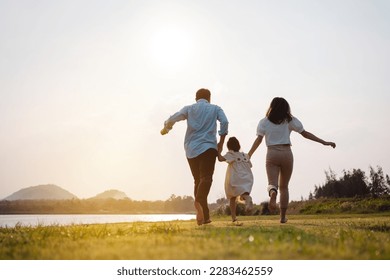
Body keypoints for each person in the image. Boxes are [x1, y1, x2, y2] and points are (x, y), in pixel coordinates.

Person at [248, 97, 336, 223]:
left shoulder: (264, 122)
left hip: (272, 153)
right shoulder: (289, 120)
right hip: (286, 153)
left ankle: (273, 193)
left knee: (272, 184)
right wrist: (324, 142)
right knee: (284, 187)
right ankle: (282, 217)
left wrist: (249, 154)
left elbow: (258, 140)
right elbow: (305, 134)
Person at [161, 88, 229, 225]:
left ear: (195, 98)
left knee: (198, 180)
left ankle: (204, 216)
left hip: (191, 149)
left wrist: (166, 128)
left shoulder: (189, 108)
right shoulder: (215, 108)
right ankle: (198, 201)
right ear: (209, 98)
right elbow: (225, 122)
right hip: (209, 147)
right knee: (206, 178)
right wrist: (220, 143)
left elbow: (174, 117)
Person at [218, 136, 254, 223]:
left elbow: (220, 159)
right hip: (247, 176)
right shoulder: (245, 155)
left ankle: (234, 217)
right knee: (244, 192)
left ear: (229, 146)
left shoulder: (230, 154)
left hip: (235, 177)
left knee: (232, 197)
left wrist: (218, 149)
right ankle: (247, 198)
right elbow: (250, 165)